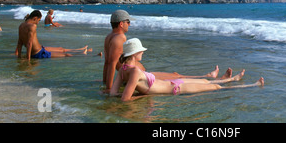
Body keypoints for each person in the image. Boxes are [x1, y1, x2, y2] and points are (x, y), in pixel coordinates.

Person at [103, 10, 229, 92]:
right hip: (142, 77)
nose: (129, 24)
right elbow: (112, 64)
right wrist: (109, 88)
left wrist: (105, 82)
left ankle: (209, 77)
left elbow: (107, 63)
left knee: (175, 76)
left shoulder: (110, 36)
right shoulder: (120, 38)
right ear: (121, 24)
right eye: (128, 22)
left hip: (136, 76)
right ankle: (209, 77)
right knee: (176, 76)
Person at [110, 38, 265, 101]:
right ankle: (253, 85)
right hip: (177, 88)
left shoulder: (123, 69)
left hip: (174, 83)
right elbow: (125, 99)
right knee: (215, 86)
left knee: (205, 81)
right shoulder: (135, 71)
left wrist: (138, 92)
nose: (143, 53)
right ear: (135, 53)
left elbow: (114, 93)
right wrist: (142, 96)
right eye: (141, 51)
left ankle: (233, 79)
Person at [16, 10, 91, 60]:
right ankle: (85, 54)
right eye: (38, 20)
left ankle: (81, 49)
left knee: (61, 49)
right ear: (35, 18)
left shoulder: (21, 25)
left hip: (40, 49)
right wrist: (28, 58)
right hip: (39, 53)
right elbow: (29, 43)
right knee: (66, 55)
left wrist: (19, 56)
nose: (38, 23)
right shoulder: (32, 26)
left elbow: (20, 42)